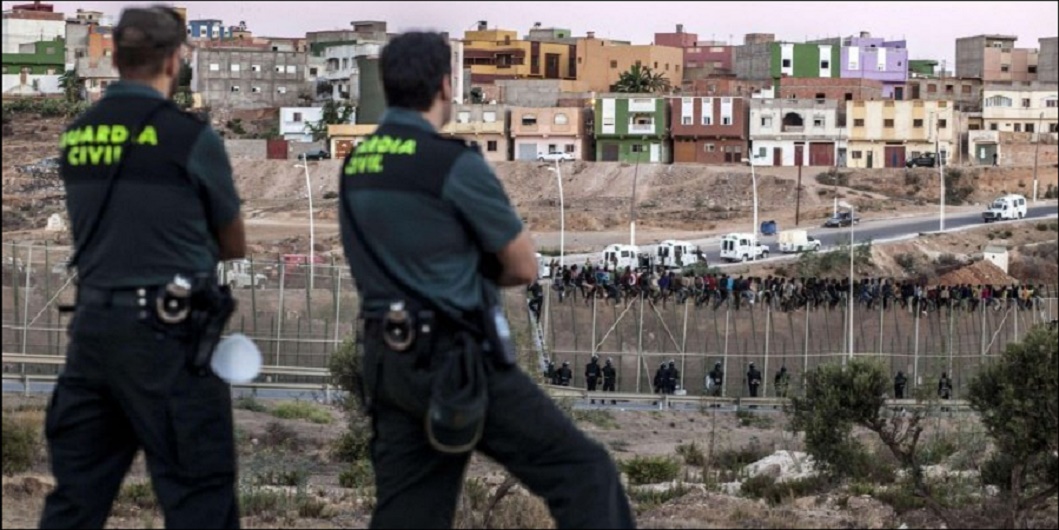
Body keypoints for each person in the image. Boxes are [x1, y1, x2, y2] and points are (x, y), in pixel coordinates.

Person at [338, 32, 633, 529]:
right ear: (445, 85)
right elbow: (522, 265)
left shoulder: (356, 165)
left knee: (409, 513)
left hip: (388, 363)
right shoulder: (452, 161)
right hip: (456, 359)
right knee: (585, 474)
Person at [39, 6, 246, 529]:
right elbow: (234, 241)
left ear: (116, 58)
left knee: (76, 498)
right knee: (201, 495)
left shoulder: (78, 135)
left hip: (93, 331)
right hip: (168, 338)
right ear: (176, 60)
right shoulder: (189, 137)